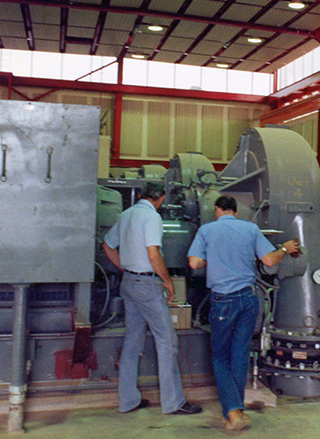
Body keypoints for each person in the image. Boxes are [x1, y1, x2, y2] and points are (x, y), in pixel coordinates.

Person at [188, 195, 299, 431]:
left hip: (223, 301)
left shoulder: (207, 230)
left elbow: (195, 263)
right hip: (249, 299)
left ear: (217, 210)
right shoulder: (250, 229)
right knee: (240, 354)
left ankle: (232, 411)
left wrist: (215, 259)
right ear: (236, 211)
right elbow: (269, 260)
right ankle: (235, 410)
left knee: (220, 357)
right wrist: (284, 249)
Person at [102, 182, 202, 417]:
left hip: (129, 284)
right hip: (147, 286)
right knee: (167, 340)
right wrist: (167, 281)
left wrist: (126, 269)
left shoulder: (126, 214)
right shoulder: (152, 217)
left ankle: (128, 401)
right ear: (161, 198)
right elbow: (153, 253)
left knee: (132, 341)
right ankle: (173, 402)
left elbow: (107, 246)